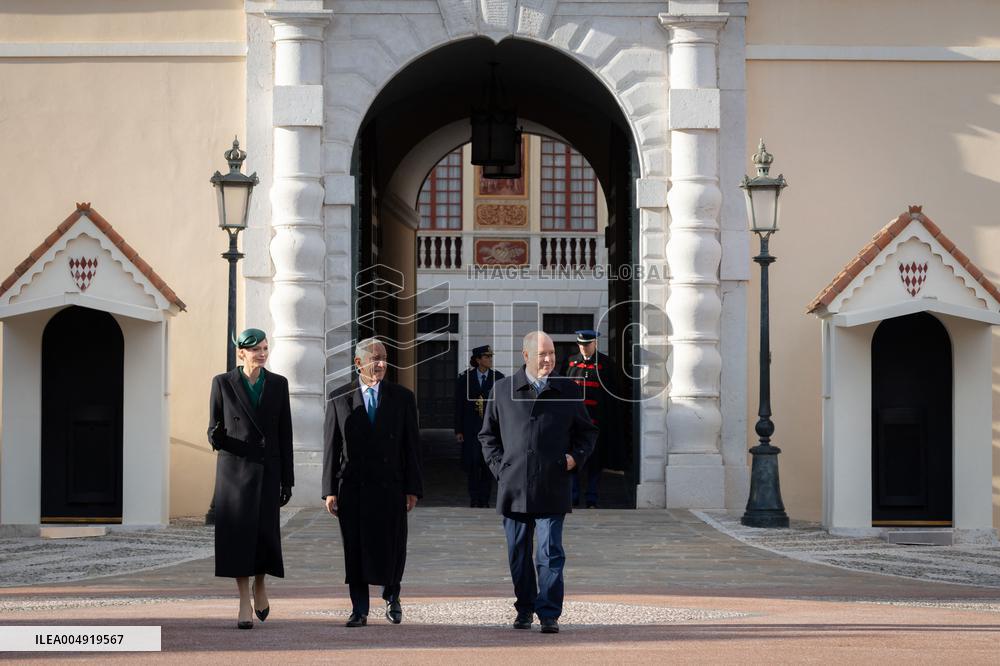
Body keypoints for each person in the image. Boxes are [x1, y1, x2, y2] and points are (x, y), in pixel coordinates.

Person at [479, 331, 597, 634]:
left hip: (552, 483)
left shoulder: (568, 390)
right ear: (526, 355)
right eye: (542, 354)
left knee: (549, 551)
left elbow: (587, 433)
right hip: (514, 485)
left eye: (552, 354)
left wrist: (574, 458)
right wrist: (500, 468)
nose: (548, 360)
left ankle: (549, 612)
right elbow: (487, 436)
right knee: (518, 553)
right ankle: (525, 607)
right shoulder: (502, 390)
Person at [322, 337, 423, 628]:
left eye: (384, 358)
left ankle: (392, 597)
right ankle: (359, 608)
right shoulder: (339, 397)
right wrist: (328, 490)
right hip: (354, 487)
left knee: (392, 545)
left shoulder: (402, 397)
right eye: (374, 358)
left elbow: (411, 447)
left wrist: (413, 488)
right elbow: (332, 445)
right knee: (355, 547)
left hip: (391, 485)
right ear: (358, 363)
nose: (380, 364)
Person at [207, 328, 294, 630]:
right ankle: (244, 599)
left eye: (265, 348)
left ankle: (261, 585)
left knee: (265, 535)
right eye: (255, 349)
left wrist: (288, 480)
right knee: (238, 538)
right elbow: (213, 429)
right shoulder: (223, 383)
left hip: (268, 470)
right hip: (235, 472)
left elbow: (285, 435)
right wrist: (217, 437)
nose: (261, 353)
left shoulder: (279, 384)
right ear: (241, 352)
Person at [559, 329, 618, 509]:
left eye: (587, 344)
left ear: (595, 344)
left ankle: (592, 497)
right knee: (572, 457)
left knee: (595, 460)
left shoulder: (606, 364)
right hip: (573, 423)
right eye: (581, 345)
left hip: (596, 422)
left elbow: (612, 395)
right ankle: (573, 495)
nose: (583, 348)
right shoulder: (570, 362)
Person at [455, 345, 505, 508]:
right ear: (478, 360)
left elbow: (504, 406)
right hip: (471, 428)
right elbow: (458, 406)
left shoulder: (498, 378)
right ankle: (474, 498)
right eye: (486, 357)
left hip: (491, 428)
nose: (490, 359)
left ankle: (485, 498)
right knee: (472, 463)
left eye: (491, 357)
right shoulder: (465, 379)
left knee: (488, 463)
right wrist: (459, 430)